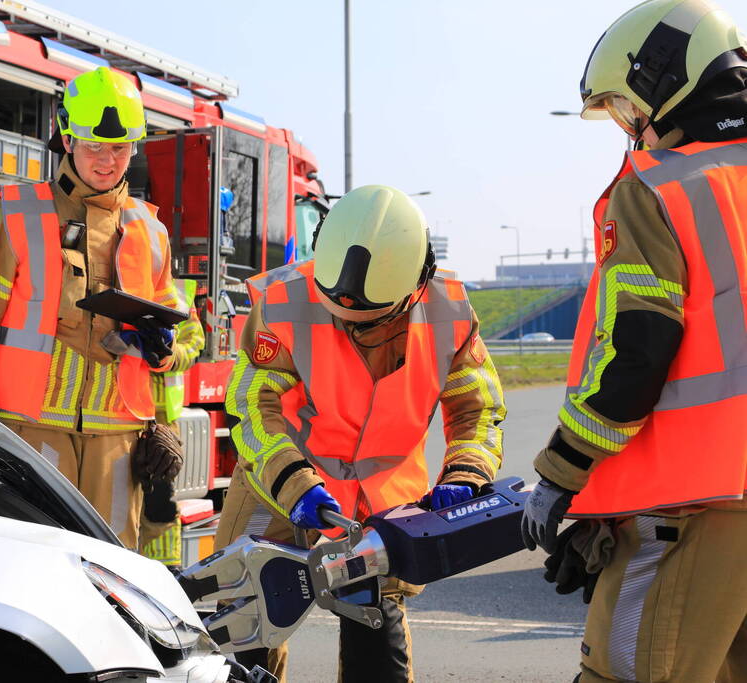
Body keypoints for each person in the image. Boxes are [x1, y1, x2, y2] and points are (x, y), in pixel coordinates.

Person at [519, 2, 747, 681]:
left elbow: (633, 356)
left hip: (689, 508)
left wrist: (561, 474)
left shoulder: (657, 188)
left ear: (663, 80)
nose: (629, 127)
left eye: (626, 106)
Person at [215, 185, 506, 683]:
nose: (346, 326)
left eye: (365, 322)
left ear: (413, 288)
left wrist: (467, 469)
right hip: (278, 483)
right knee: (238, 630)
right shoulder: (285, 300)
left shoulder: (450, 315)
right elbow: (251, 404)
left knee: (377, 644)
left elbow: (477, 410)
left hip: (381, 502)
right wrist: (294, 482)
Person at [0, 66, 193, 550]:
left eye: (119, 148)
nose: (106, 160)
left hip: (120, 439)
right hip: (28, 430)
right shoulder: (13, 214)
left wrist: (166, 356)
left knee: (113, 575)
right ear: (66, 137)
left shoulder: (151, 231)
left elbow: (186, 332)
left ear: (135, 148)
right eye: (94, 145)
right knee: (29, 568)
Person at [138, 278, 206, 568]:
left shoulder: (177, 292)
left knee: (160, 500)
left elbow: (194, 342)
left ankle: (166, 569)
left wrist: (170, 356)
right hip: (116, 414)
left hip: (162, 421)